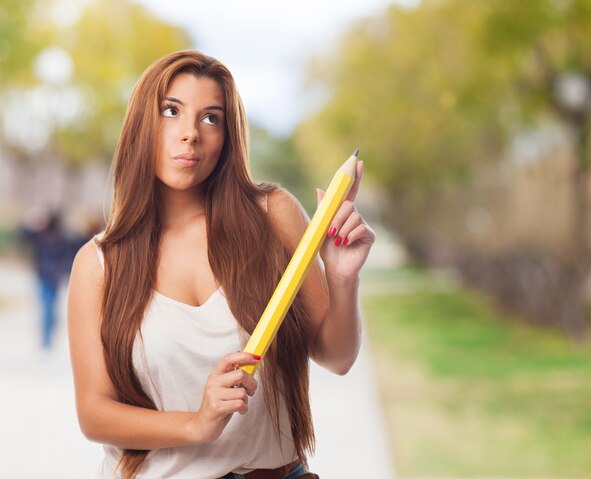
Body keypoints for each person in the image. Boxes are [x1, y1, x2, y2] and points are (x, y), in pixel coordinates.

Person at [67, 50, 375, 479]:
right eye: (171, 111)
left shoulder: (273, 214)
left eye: (211, 118)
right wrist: (197, 423)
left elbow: (336, 356)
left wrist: (342, 277)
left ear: (227, 137)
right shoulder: (98, 264)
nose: (190, 133)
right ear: (142, 124)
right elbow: (94, 414)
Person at [21, 210, 76, 350]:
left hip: (52, 277)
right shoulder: (41, 235)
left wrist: (64, 271)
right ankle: (46, 338)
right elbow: (24, 234)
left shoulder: (61, 238)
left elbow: (68, 256)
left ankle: (48, 337)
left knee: (49, 307)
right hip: (44, 276)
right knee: (47, 307)